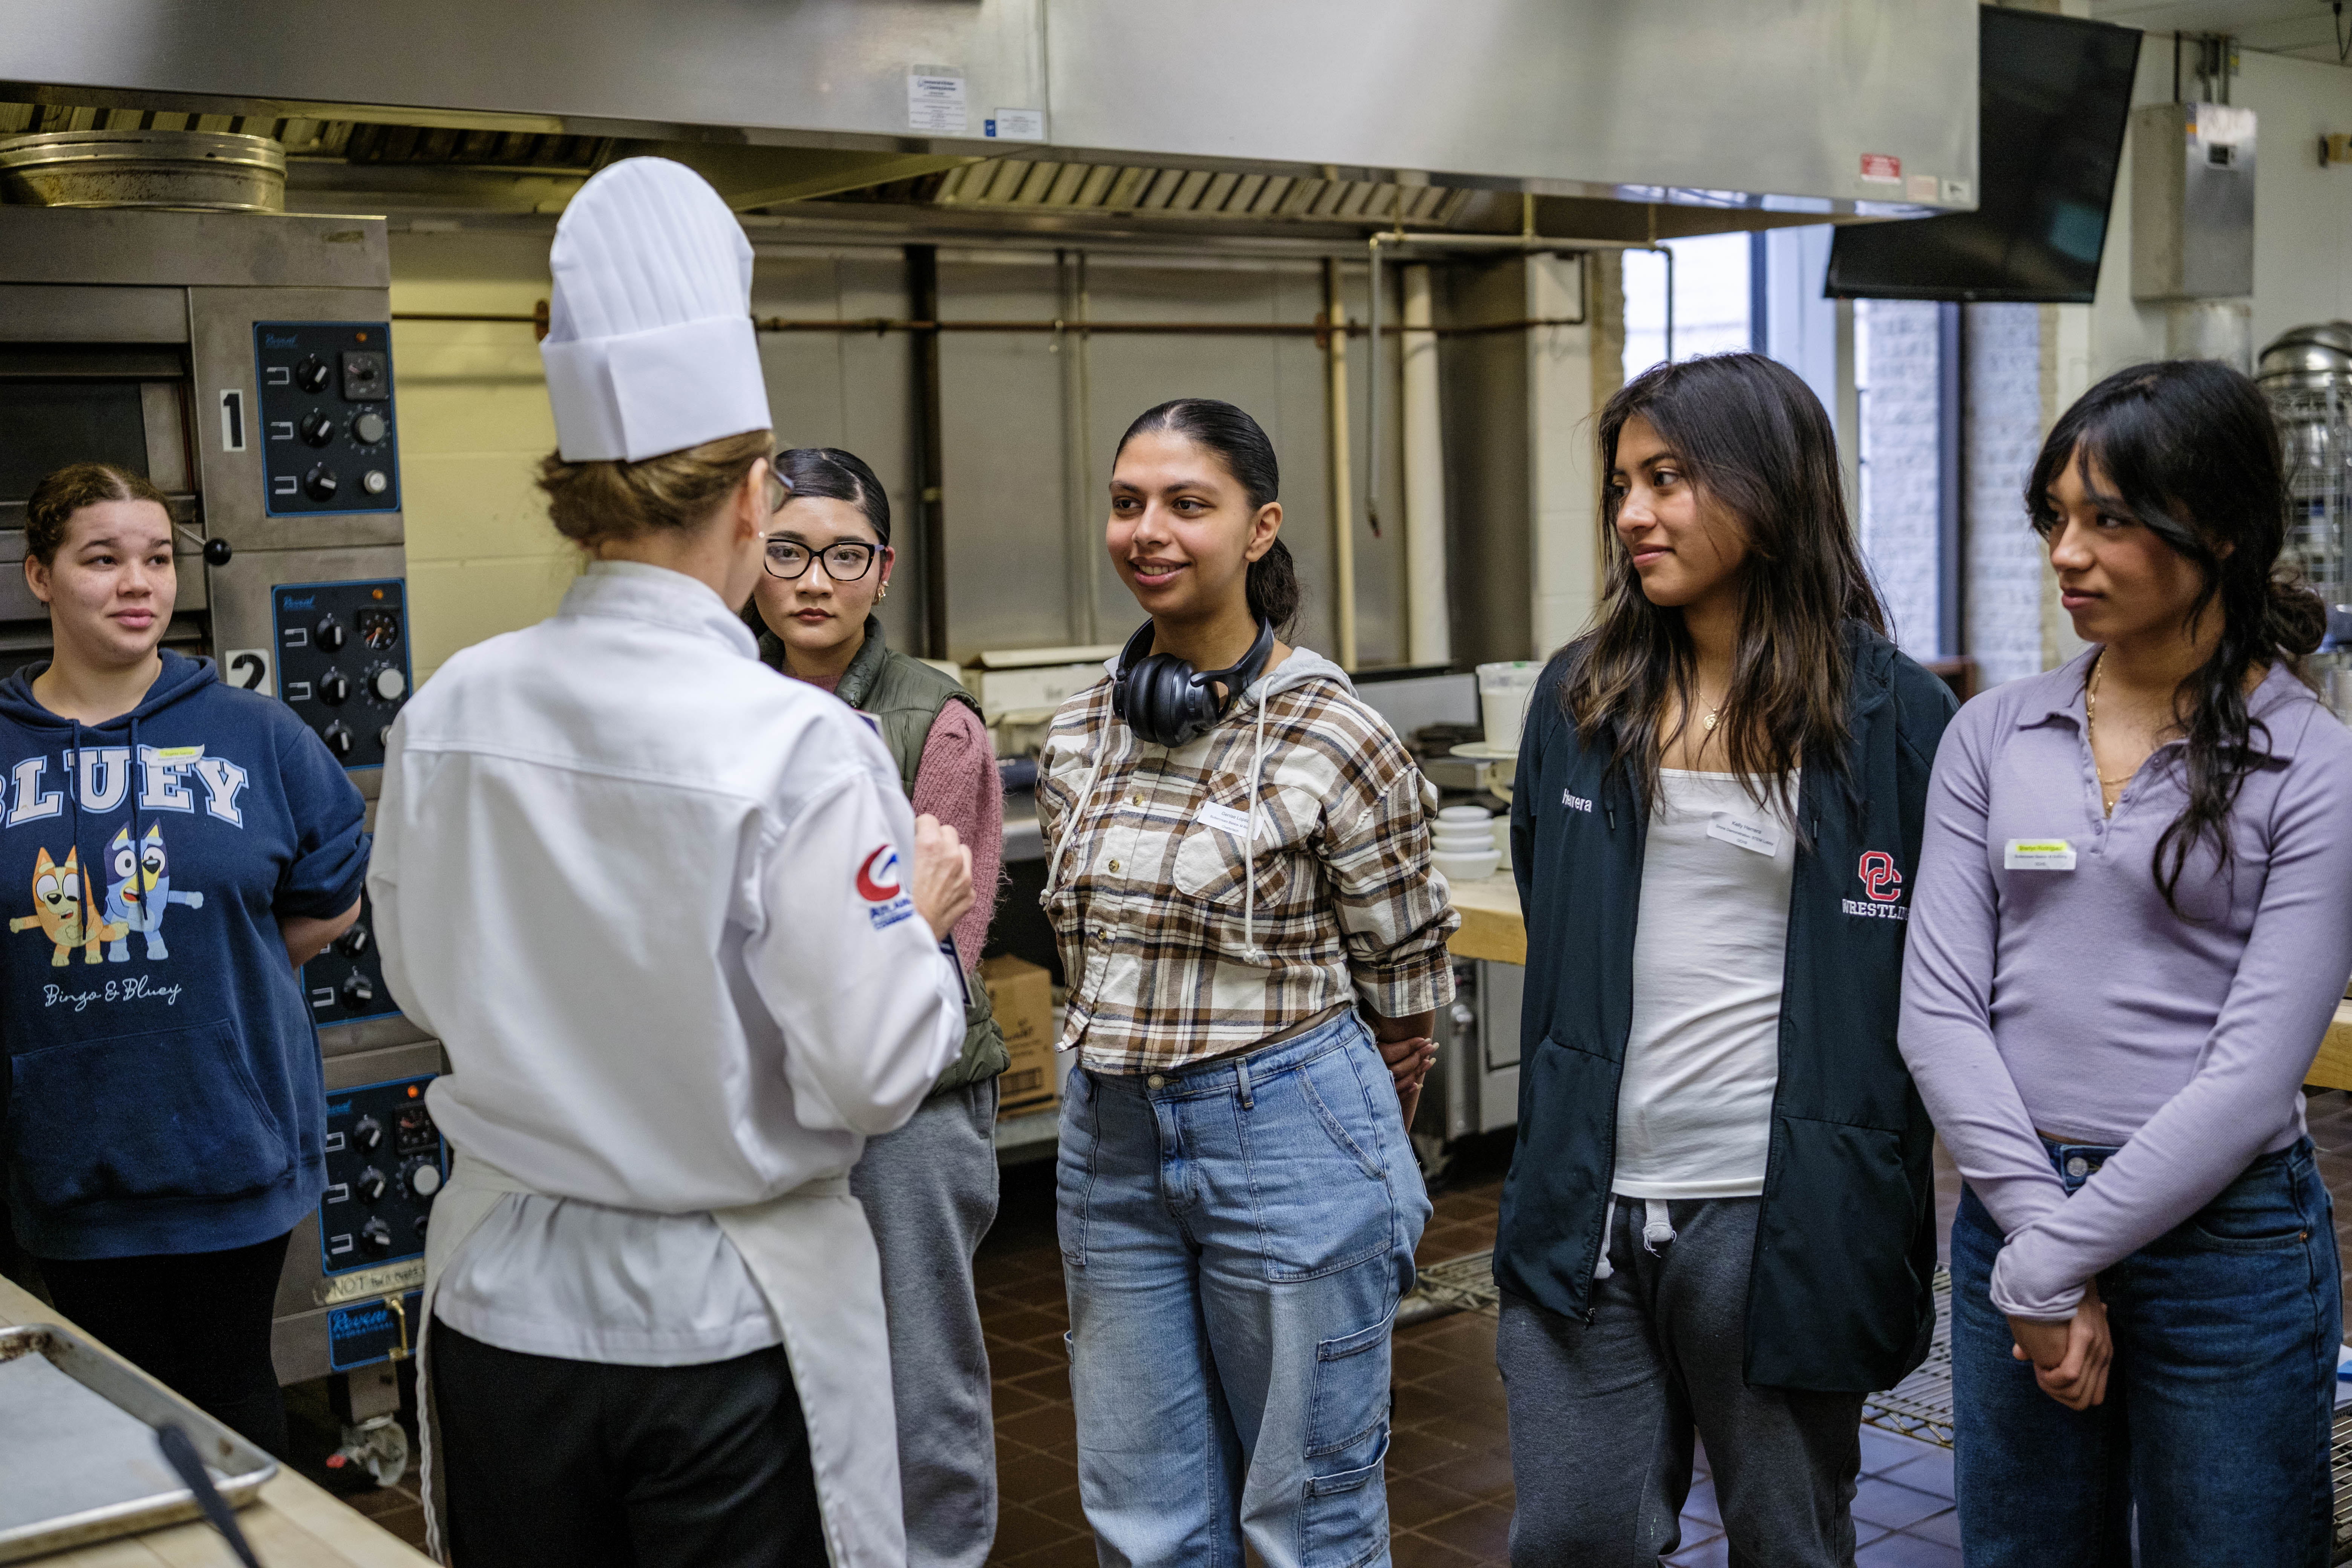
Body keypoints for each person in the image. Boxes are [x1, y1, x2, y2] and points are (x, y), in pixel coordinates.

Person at [370, 158, 974, 1568]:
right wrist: (924, 921)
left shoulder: (453, 707)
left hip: (498, 1308)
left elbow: (419, 980)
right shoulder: (799, 746)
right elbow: (876, 1075)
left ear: (573, 498)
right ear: (756, 500)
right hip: (722, 1327)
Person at [1492, 352, 1958, 1565]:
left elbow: (1941, 971)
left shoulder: (1894, 719)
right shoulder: (1582, 700)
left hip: (1779, 1210)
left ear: (1772, 487)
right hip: (1585, 1197)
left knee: (1788, 1538)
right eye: (1624, 483)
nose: (1634, 512)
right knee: (1572, 1536)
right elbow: (1560, 910)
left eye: (1672, 477)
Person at [1901, 359, 2352, 1566]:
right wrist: (2037, 1239)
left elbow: (2257, 1075)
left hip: (2229, 1250)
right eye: (2056, 517)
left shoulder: (2310, 763)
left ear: (2218, 528)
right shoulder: (1992, 734)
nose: (2067, 553)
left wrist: (2052, 1262)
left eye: (2109, 518)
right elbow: (1939, 1013)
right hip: (2015, 1200)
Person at [1035, 397, 1456, 1568]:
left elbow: (1406, 974)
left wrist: (1370, 1103)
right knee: (1144, 1517)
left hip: (1285, 1131)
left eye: (1187, 504)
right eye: (1128, 504)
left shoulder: (1337, 734)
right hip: (1109, 1137)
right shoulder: (1078, 737)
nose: (1148, 531)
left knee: (1306, 1515)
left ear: (1260, 528)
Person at [0, 461, 366, 1455]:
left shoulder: (255, 734)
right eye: (103, 560)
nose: (138, 583)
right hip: (63, 1155)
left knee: (230, 1408)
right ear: (40, 577)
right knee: (98, 1424)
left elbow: (329, 903)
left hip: (224, 1144)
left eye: (158, 560)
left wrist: (210, 971)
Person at [750, 444, 1008, 1568]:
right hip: (767, 1091)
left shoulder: (932, 720)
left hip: (912, 1098)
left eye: (843, 555)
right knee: (784, 1370)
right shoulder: (723, 700)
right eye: (789, 551)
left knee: (918, 1370)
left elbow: (938, 939)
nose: (815, 580)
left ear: (883, 569)